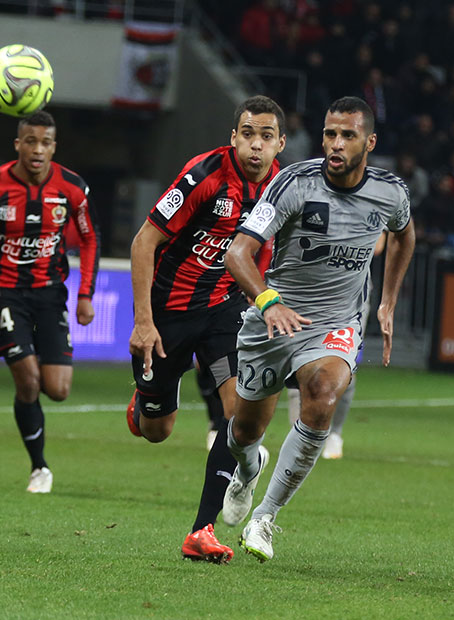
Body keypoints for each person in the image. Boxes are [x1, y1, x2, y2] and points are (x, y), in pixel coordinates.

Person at [221, 96, 415, 562]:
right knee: (244, 432)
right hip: (275, 318)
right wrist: (269, 303)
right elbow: (237, 254)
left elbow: (405, 234)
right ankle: (248, 468)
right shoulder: (293, 183)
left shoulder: (391, 192)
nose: (336, 144)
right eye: (330, 134)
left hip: (335, 322)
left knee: (324, 395)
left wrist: (388, 300)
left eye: (348, 135)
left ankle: (265, 517)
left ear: (369, 142)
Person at [127, 95, 286, 563]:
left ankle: (202, 529)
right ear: (233, 137)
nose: (256, 145)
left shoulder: (282, 186)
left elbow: (266, 248)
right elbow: (143, 242)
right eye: (247, 134)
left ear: (279, 144)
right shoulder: (204, 177)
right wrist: (143, 322)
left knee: (238, 413)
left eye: (266, 137)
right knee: (156, 431)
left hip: (224, 310)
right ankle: (145, 402)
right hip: (169, 312)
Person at [0, 111, 100, 493]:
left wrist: (85, 294)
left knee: (59, 389)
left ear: (54, 147)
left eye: (45, 143)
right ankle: (39, 467)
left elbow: (89, 239)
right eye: (30, 142)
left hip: (50, 293)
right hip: (3, 293)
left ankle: (32, 400)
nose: (37, 150)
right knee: (29, 379)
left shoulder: (72, 188)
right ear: (18, 145)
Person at [283, 231, 386, 460]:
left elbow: (379, 244)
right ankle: (298, 434)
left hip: (352, 296)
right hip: (309, 290)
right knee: (298, 360)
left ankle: (335, 433)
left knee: (345, 364)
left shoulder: (372, 208)